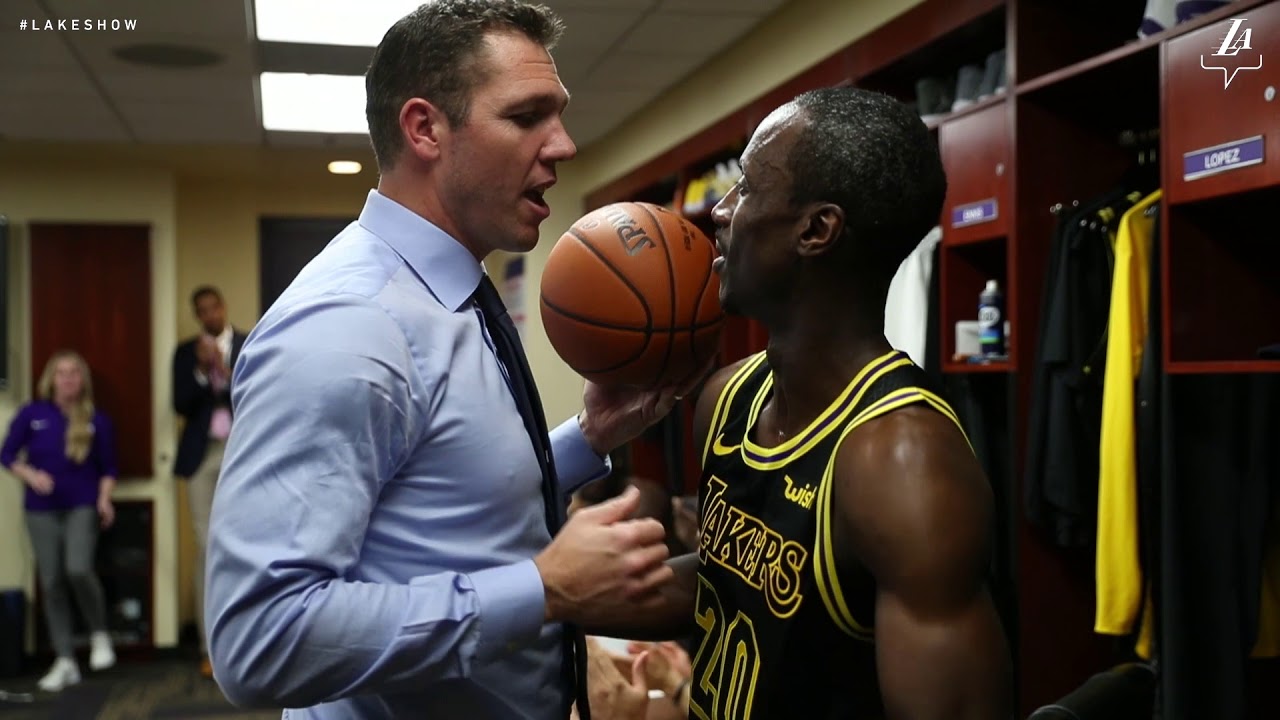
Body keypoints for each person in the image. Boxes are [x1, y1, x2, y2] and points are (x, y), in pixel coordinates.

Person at [203, 2, 690, 718]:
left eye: (558, 115)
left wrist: (588, 439)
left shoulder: (450, 294)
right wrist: (544, 590)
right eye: (527, 117)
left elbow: (441, 511)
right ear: (424, 128)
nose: (564, 146)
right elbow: (259, 640)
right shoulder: (349, 326)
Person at [604, 87, 1014, 718]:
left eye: (745, 186)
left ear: (816, 229)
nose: (720, 210)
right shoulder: (727, 397)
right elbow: (732, 584)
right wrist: (555, 592)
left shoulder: (901, 464)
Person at [1, 351, 117, 692]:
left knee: (78, 569)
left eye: (74, 373)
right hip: (40, 509)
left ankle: (99, 633)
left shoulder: (97, 419)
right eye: (61, 373)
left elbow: (109, 467)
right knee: (51, 582)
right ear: (50, 379)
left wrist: (104, 499)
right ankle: (65, 659)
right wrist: (30, 474)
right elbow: (7, 454)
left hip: (81, 504)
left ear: (82, 380)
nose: (67, 379)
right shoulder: (32, 413)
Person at [171, 284, 245, 677]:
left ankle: (245, 639)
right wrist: (202, 371)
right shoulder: (186, 353)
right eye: (201, 310)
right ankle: (208, 646)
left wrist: (227, 372)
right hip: (203, 456)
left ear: (223, 307)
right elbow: (179, 403)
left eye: (214, 307)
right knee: (206, 547)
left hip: (243, 453)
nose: (209, 315)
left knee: (245, 543)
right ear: (197, 315)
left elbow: (262, 392)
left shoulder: (251, 340)